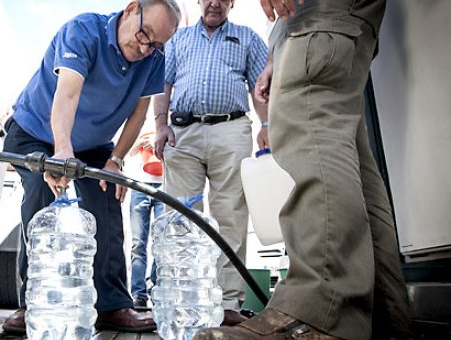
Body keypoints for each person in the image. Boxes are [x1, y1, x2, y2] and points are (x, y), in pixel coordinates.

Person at [194, 0, 413, 339]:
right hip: (322, 20)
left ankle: (320, 314)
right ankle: (388, 321)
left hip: (321, 12)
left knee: (309, 117)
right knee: (345, 152)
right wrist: (275, 59)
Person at [0, 0, 181, 334]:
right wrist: (62, 151)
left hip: (93, 145)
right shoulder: (83, 31)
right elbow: (67, 94)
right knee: (42, 197)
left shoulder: (154, 59)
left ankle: (112, 305)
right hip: (35, 132)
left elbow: (138, 115)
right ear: (130, 9)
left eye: (156, 43)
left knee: (108, 199)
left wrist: (116, 160)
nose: (145, 47)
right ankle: (33, 304)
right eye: (144, 34)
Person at [153, 0, 269, 327]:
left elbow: (261, 87)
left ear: (232, 3)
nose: (214, 2)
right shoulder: (178, 39)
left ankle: (228, 303)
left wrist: (267, 126)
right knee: (179, 217)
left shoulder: (247, 38)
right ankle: (181, 301)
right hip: (182, 131)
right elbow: (162, 85)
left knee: (230, 213)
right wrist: (161, 125)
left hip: (231, 129)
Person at [126, 131, 164, 308]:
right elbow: (129, 152)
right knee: (138, 243)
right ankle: (138, 294)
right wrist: (141, 141)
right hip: (139, 185)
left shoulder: (170, 120)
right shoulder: (139, 122)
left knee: (162, 243)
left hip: (164, 185)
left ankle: (157, 291)